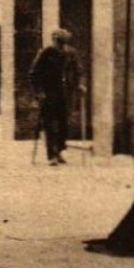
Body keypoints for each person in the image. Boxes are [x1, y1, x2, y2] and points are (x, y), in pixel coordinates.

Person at [30, 28, 83, 166]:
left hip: (66, 94)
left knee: (64, 124)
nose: (61, 44)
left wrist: (79, 85)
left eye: (64, 41)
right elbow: (34, 73)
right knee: (50, 124)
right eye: (59, 41)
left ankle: (59, 151)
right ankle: (52, 155)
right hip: (49, 93)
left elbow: (78, 71)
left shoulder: (71, 53)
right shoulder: (46, 53)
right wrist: (39, 92)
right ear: (53, 40)